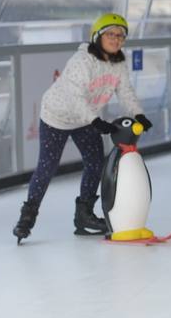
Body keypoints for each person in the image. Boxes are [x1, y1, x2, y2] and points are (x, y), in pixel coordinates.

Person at [12, 13, 152, 243]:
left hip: (85, 120)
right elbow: (75, 97)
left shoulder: (119, 63)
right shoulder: (83, 61)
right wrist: (95, 121)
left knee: (96, 162)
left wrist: (139, 114)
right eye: (111, 34)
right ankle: (27, 217)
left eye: (121, 35)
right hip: (57, 116)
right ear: (97, 36)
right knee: (47, 167)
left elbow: (125, 91)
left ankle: (84, 215)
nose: (116, 39)